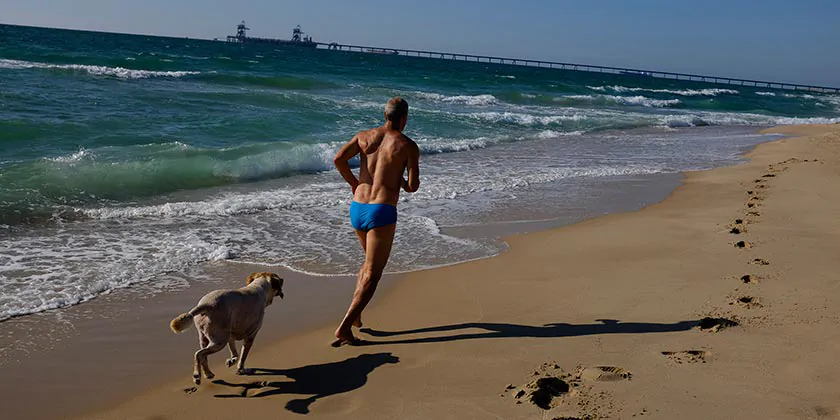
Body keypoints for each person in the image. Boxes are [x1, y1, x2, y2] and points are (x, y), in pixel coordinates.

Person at [331, 97, 420, 346]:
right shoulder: (408, 145)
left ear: (385, 114)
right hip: (381, 211)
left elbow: (339, 159)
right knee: (374, 273)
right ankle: (344, 327)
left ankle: (356, 315)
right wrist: (399, 180)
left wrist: (354, 183)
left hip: (358, 208)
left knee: (367, 264)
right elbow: (412, 186)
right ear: (404, 118)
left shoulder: (363, 136)